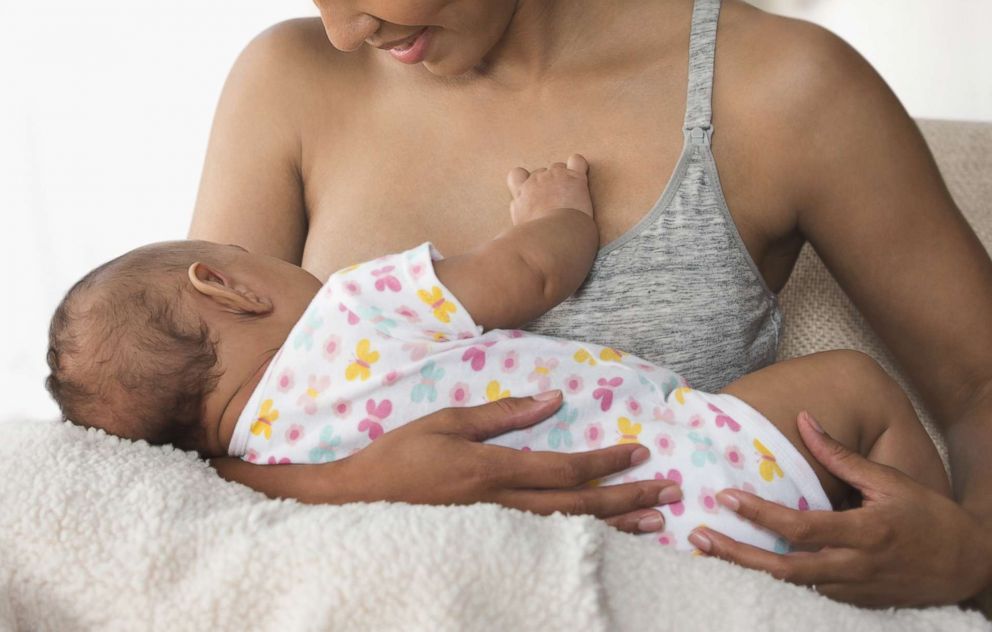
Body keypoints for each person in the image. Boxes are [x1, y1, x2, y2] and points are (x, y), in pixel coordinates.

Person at [187, 0, 992, 609]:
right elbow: (170, 438)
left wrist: (974, 554)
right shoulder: (290, 84)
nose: (341, 28)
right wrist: (352, 484)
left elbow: (980, 382)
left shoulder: (779, 87)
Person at [45, 155, 949, 555]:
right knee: (856, 386)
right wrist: (554, 210)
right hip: (690, 462)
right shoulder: (354, 306)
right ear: (227, 287)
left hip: (646, 546)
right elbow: (530, 272)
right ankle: (903, 546)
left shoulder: (258, 469)